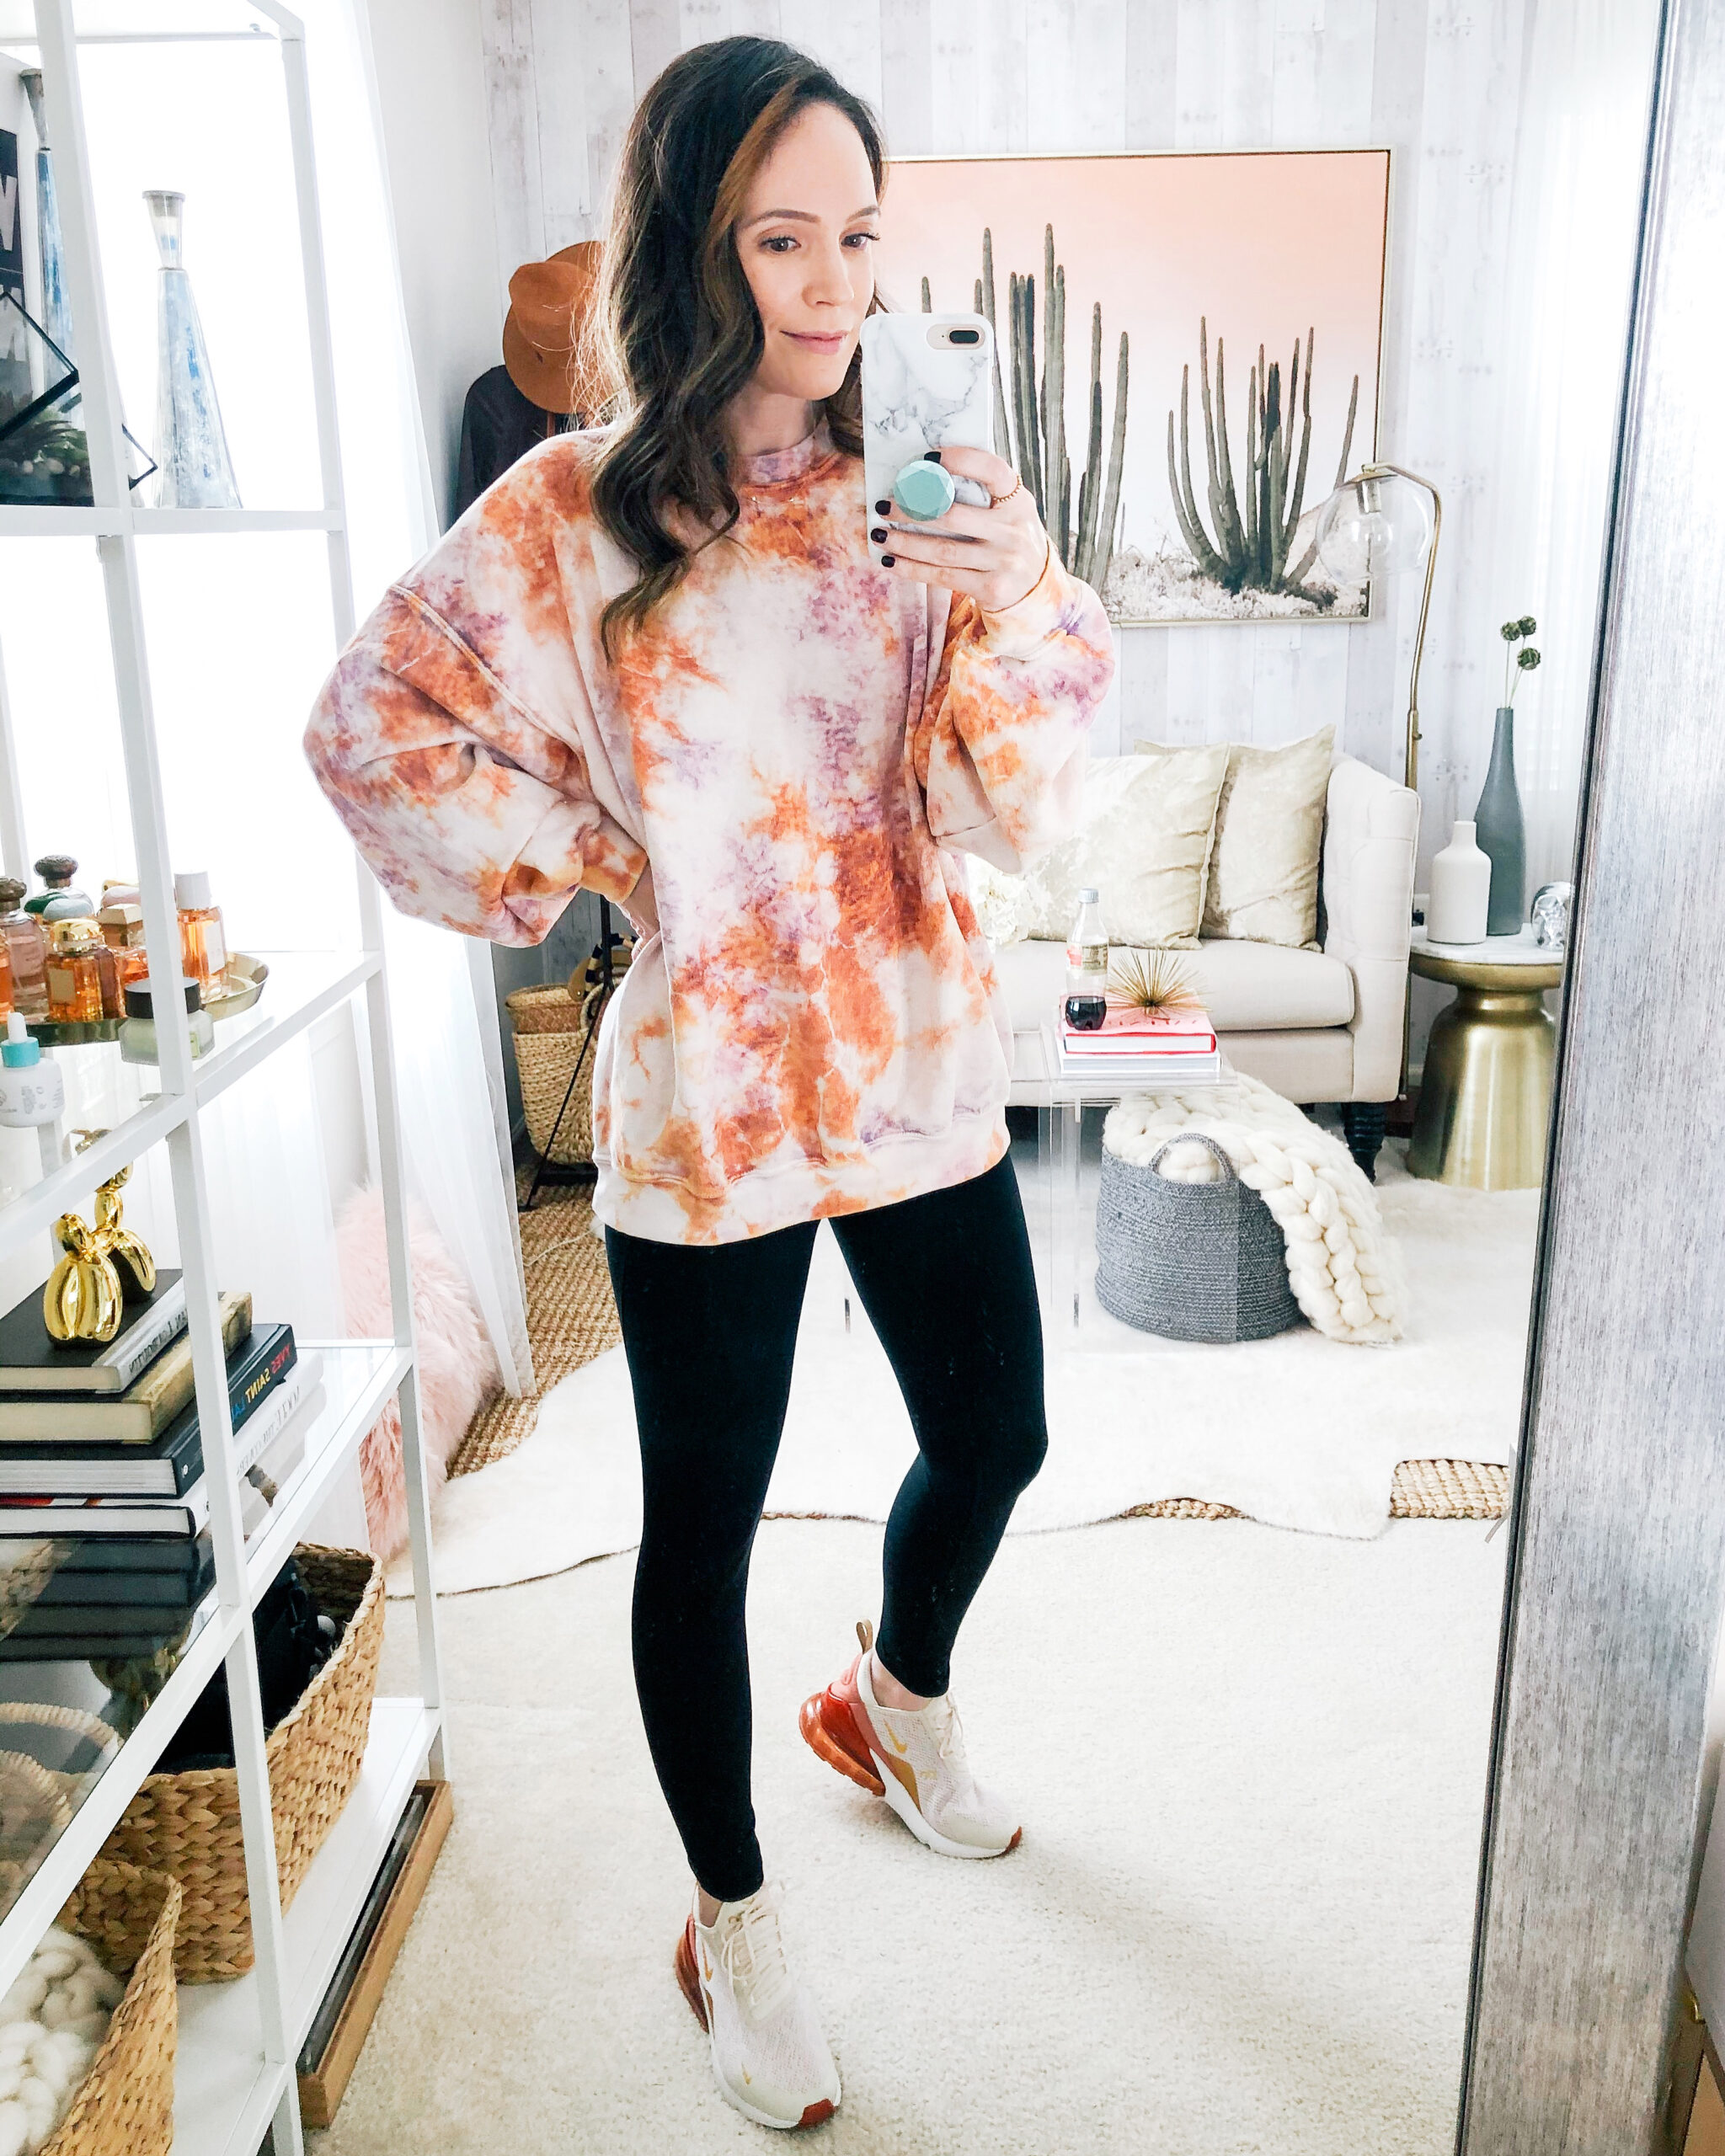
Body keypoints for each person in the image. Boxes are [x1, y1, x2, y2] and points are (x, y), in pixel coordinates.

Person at [303, 34, 1113, 2134]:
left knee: (1000, 1433)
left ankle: (894, 1698)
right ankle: (730, 1915)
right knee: (704, 1524)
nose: (836, 287)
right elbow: (370, 726)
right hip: (710, 1092)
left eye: (861, 234)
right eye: (781, 240)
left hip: (913, 1041)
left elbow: (1010, 806)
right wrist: (589, 852)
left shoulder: (925, 501)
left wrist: (1018, 593)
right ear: (691, 247)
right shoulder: (568, 510)